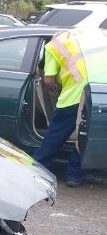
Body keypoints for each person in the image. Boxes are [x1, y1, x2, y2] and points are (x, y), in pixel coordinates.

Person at [33, 27, 107, 187]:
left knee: (56, 134)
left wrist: (54, 89)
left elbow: (48, 80)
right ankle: (74, 175)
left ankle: (40, 166)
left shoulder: (53, 46)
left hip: (74, 96)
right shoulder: (89, 42)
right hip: (102, 93)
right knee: (86, 136)